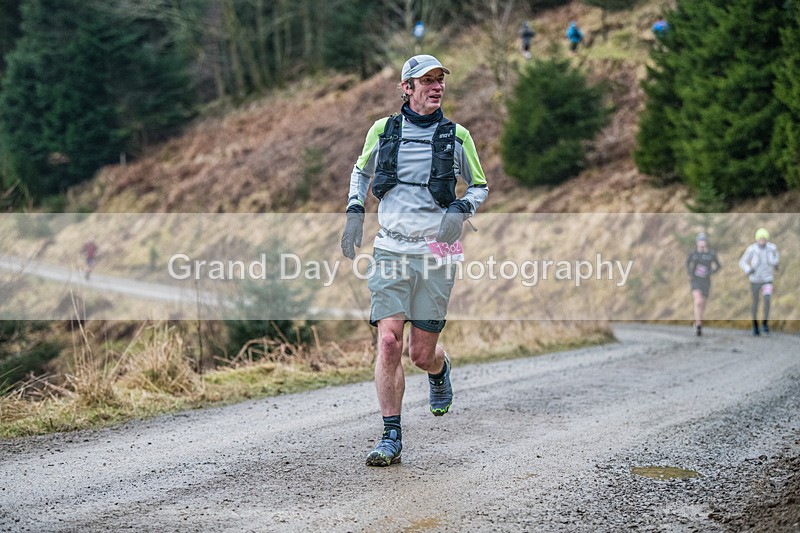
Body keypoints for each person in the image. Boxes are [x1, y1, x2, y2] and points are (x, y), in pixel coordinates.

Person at [341, 54, 489, 467]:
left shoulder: (457, 136)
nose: (436, 86)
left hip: (437, 252)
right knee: (388, 341)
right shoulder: (383, 130)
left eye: (440, 79)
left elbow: (479, 186)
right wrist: (355, 211)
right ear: (407, 88)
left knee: (420, 354)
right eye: (427, 80)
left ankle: (439, 371)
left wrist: (462, 208)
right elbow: (360, 173)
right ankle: (391, 435)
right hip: (390, 247)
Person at [739, 228, 780, 335]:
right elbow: (742, 261)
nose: (763, 240)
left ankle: (765, 324)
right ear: (757, 239)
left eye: (764, 238)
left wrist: (775, 264)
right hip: (755, 280)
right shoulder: (751, 249)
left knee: (767, 299)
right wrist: (748, 269)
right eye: (761, 238)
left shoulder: (772, 248)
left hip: (767, 279)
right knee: (755, 302)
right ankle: (755, 325)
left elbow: (777, 258)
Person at [685, 233, 721, 336]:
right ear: (697, 243)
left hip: (706, 281)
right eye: (700, 242)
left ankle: (698, 318)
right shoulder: (693, 254)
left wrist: (711, 272)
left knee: (703, 303)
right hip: (695, 280)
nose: (702, 244)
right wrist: (690, 273)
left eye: (703, 242)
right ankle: (698, 323)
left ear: (706, 243)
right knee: (698, 301)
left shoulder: (711, 254)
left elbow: (718, 266)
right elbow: (687, 264)